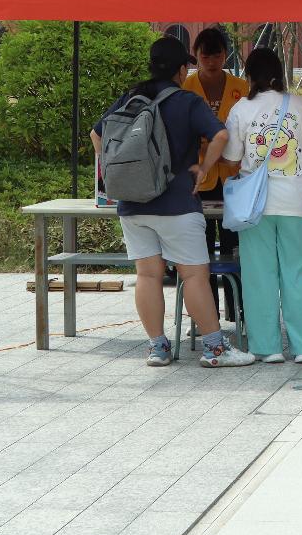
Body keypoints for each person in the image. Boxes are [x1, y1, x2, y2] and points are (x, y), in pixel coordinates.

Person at [91, 36, 253, 368]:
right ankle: (214, 350)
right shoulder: (186, 101)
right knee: (194, 275)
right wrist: (204, 169)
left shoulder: (130, 97)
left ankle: (158, 348)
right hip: (177, 204)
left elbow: (97, 134)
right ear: (181, 69)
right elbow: (221, 135)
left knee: (147, 275)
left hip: (133, 205)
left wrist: (115, 171)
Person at [219, 47, 302, 364]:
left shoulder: (241, 109)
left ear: (249, 76)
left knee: (259, 274)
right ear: (279, 73)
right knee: (297, 273)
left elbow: (232, 159)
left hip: (255, 205)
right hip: (295, 202)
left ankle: (267, 347)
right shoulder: (299, 105)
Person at [184, 27, 251, 311]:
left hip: (233, 176)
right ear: (196, 56)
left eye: (217, 55)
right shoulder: (186, 87)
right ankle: (206, 312)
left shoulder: (241, 87)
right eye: (205, 56)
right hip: (198, 175)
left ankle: (238, 310)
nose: (211, 62)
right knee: (200, 246)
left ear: (226, 55)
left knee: (233, 244)